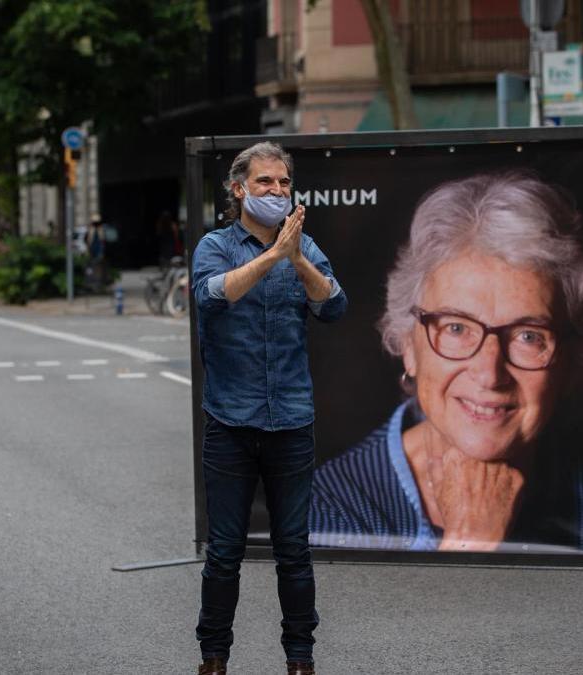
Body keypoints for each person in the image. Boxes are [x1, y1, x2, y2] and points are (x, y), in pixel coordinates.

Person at [310, 171, 583, 553]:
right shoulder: (326, 509)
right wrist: (473, 541)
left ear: (569, 360)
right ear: (407, 345)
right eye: (456, 328)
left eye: (528, 336)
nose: (489, 372)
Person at [191, 141, 347, 675]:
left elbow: (333, 305)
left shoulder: (303, 247)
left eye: (283, 183)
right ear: (239, 190)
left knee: (295, 552)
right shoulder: (216, 245)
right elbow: (212, 295)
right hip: (230, 423)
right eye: (265, 183)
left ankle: (300, 660)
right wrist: (272, 256)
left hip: (291, 421)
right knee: (224, 553)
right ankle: (213, 658)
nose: (277, 191)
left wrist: (297, 256)